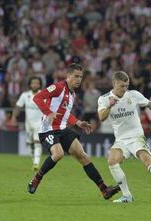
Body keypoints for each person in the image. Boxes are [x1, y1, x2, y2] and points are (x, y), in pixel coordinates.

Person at [27, 63, 120, 200]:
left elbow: (65, 113)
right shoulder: (58, 87)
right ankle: (36, 178)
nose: (79, 79)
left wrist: (78, 122)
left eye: (81, 77)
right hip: (48, 130)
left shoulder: (72, 94)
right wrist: (49, 112)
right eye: (76, 76)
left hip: (63, 129)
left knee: (83, 157)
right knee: (58, 154)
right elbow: (38, 97)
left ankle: (104, 189)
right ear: (68, 76)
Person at [97, 71, 151, 203]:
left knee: (148, 161)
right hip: (121, 140)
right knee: (112, 161)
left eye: (126, 86)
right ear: (114, 83)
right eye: (122, 86)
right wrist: (110, 105)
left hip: (136, 137)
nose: (125, 89)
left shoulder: (133, 95)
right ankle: (127, 196)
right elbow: (101, 117)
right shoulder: (104, 99)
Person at [11, 76, 44, 171]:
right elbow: (18, 106)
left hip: (39, 122)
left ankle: (36, 163)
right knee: (30, 142)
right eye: (33, 83)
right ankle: (34, 160)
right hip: (28, 123)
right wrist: (13, 117)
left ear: (39, 84)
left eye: (37, 83)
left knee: (37, 142)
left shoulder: (43, 94)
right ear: (30, 84)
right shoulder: (25, 95)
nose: (35, 85)